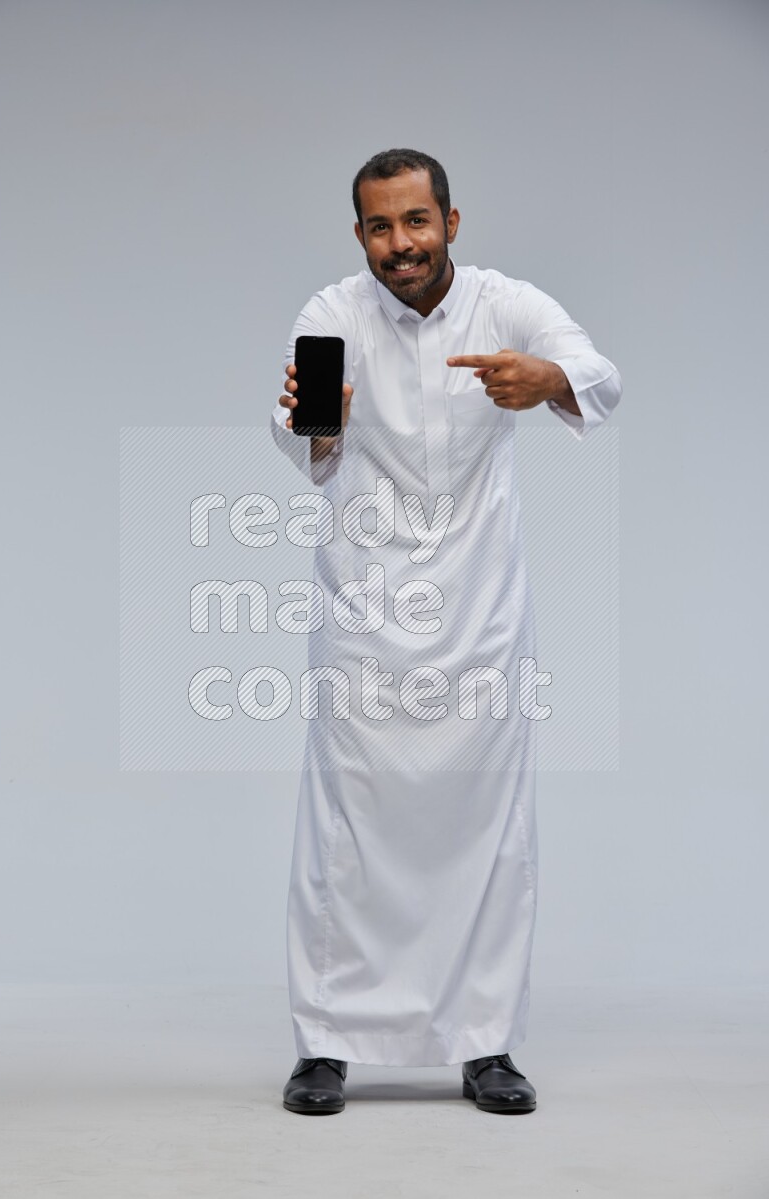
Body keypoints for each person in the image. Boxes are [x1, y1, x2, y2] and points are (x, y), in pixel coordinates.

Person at [269, 148, 622, 1115]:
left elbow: (600, 374)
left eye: (416, 222)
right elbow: (299, 426)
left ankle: (485, 1044)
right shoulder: (332, 313)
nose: (401, 245)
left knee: (490, 833)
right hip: (364, 615)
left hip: (480, 615)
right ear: (360, 236)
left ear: (452, 223)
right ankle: (324, 1045)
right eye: (381, 227)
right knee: (342, 834)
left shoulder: (504, 304)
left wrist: (545, 378)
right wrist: (321, 424)